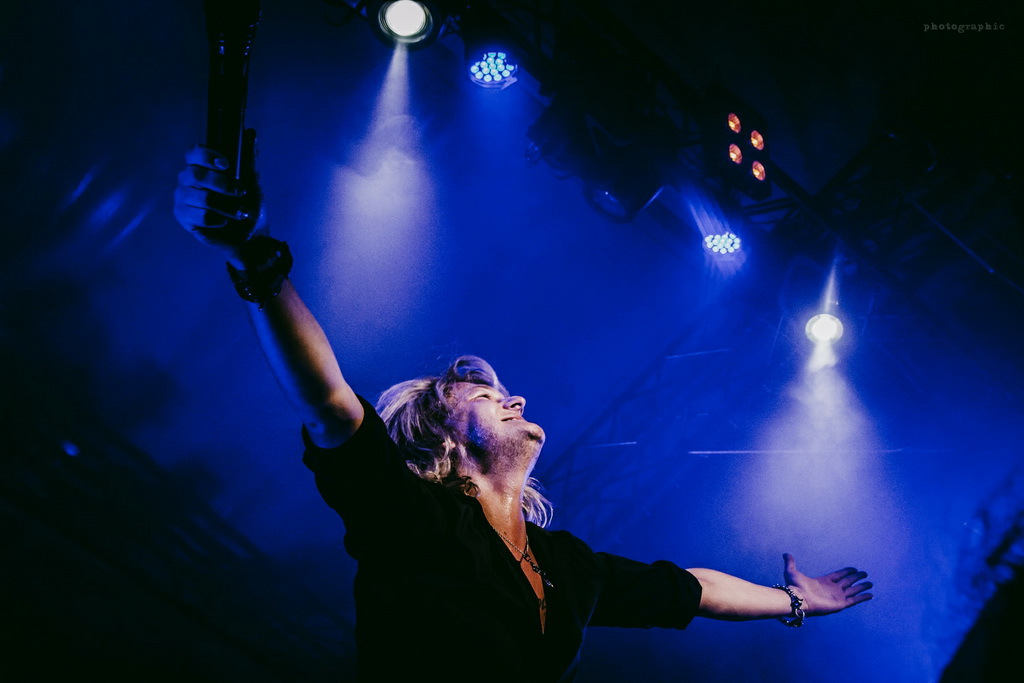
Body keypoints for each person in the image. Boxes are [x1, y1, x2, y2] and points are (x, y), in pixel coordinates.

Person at [173, 142, 874, 681]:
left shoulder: (566, 565)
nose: (515, 398)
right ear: (444, 440)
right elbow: (329, 400)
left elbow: (695, 590)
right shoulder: (411, 518)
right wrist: (255, 256)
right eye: (485, 397)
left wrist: (799, 601)